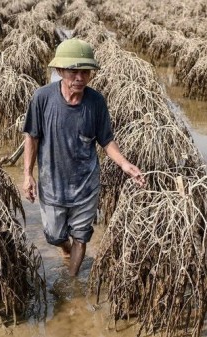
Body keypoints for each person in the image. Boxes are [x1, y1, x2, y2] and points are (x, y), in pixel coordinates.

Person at [22, 38, 143, 277]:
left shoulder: (96, 102)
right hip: (52, 184)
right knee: (55, 236)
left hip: (86, 185)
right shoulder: (42, 98)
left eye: (85, 72)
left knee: (81, 236)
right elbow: (32, 137)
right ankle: (64, 248)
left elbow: (106, 140)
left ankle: (72, 279)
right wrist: (27, 174)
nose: (79, 77)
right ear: (59, 71)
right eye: (73, 71)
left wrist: (125, 164)